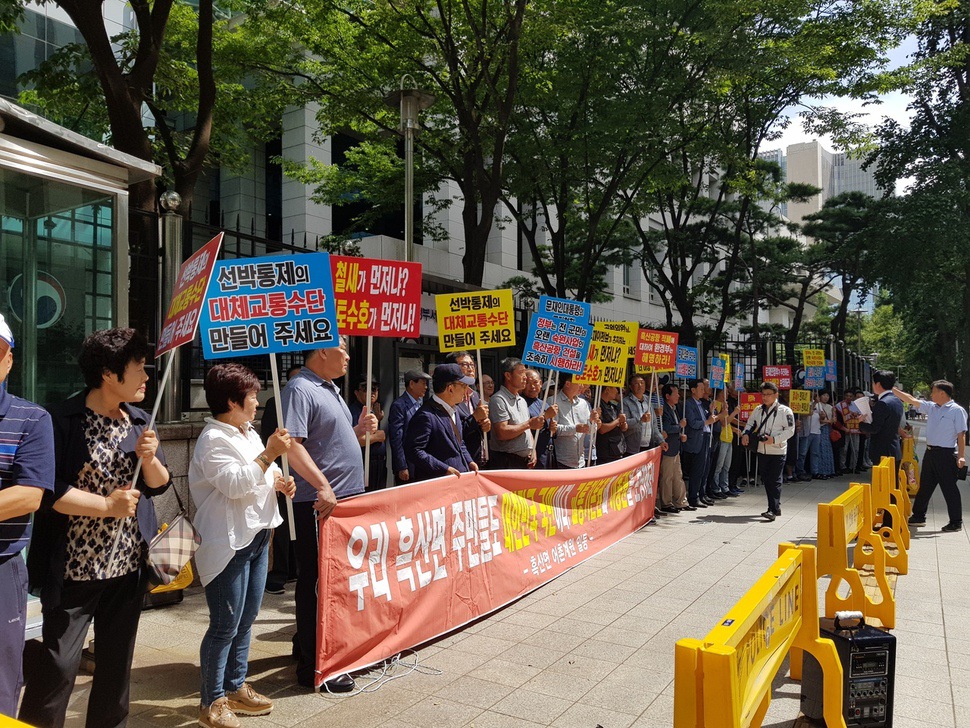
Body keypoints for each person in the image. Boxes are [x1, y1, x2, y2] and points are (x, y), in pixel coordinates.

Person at [21, 329, 171, 728]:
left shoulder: (139, 419)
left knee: (116, 667)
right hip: (73, 570)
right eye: (138, 368)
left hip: (126, 568)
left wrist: (151, 458)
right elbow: (47, 492)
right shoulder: (59, 420)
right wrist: (106, 506)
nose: (146, 377)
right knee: (57, 667)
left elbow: (159, 484)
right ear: (108, 373)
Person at [190, 364, 297, 728]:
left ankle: (235, 686)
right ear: (232, 401)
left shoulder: (246, 431)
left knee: (246, 618)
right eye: (252, 396)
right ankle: (211, 701)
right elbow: (235, 484)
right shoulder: (213, 439)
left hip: (256, 536)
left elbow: (261, 473)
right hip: (227, 542)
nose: (257, 402)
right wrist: (269, 454)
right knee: (224, 623)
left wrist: (279, 481)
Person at [280, 338, 377, 692]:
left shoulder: (331, 389)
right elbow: (292, 445)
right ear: (322, 350)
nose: (349, 356)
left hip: (343, 499)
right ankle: (317, 664)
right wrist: (322, 485)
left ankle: (307, 645)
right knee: (321, 583)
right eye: (343, 349)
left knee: (333, 580)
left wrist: (356, 433)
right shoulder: (299, 388)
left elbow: (325, 441)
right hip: (319, 504)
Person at [0, 313, 54, 717]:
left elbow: (28, 496)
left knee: (1, 680)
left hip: (1, 568)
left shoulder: (31, 419)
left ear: (9, 359)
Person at [894, 381, 967, 533]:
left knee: (949, 488)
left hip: (946, 455)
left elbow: (961, 435)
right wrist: (892, 389)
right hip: (930, 453)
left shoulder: (956, 410)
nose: (931, 394)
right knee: (925, 486)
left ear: (942, 393)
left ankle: (956, 521)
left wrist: (961, 456)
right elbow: (911, 400)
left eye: (933, 391)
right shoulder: (932, 407)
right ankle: (919, 516)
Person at [261, 364, 301, 596]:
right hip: (283, 469)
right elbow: (268, 438)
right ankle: (280, 572)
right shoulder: (275, 403)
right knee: (284, 525)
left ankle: (296, 568)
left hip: (305, 473)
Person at [403, 364, 480, 480]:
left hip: (458, 481)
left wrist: (469, 461)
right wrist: (444, 469)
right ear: (450, 388)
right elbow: (414, 451)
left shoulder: (454, 410)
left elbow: (459, 441)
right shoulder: (426, 415)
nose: (466, 390)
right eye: (463, 386)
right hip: (437, 484)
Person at [741, 381, 795, 521]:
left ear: (776, 395)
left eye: (768, 395)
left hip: (778, 450)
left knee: (775, 479)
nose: (765, 397)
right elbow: (750, 424)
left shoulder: (785, 411)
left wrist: (775, 439)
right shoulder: (758, 410)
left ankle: (772, 509)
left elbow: (790, 431)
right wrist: (745, 433)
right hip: (762, 450)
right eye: (763, 395)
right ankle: (776, 507)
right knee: (766, 479)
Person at [488, 358, 544, 469]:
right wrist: (528, 424)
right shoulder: (498, 399)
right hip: (507, 461)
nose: (525, 377)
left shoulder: (522, 401)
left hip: (525, 461)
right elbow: (502, 433)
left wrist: (533, 450)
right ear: (508, 376)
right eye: (521, 373)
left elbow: (527, 430)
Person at [445, 352, 490, 467]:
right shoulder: (449, 397)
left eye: (472, 365)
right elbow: (452, 433)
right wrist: (475, 417)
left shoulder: (475, 395)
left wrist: (485, 425)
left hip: (479, 460)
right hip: (461, 463)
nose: (471, 369)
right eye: (465, 365)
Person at [387, 369, 432, 485]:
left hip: (422, 463)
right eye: (423, 383)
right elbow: (396, 438)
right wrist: (402, 466)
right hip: (408, 466)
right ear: (412, 384)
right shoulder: (399, 405)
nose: (426, 387)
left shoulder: (421, 405)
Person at [682, 378, 718, 508]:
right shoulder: (688, 404)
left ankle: (702, 494)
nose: (703, 391)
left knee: (705, 469)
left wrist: (711, 410)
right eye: (701, 389)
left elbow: (708, 418)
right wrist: (707, 422)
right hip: (696, 440)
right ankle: (693, 497)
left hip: (706, 438)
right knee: (697, 470)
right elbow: (693, 423)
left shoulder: (701, 404)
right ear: (693, 390)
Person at [553, 373, 600, 469]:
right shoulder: (553, 402)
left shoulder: (583, 404)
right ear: (567, 384)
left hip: (581, 461)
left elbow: (591, 430)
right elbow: (554, 430)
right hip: (562, 461)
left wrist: (592, 421)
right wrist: (575, 428)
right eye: (579, 382)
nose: (582, 386)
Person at [348, 378, 387, 492]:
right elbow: (354, 440)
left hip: (379, 465)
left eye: (374, 389)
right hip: (365, 465)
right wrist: (377, 437)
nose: (372, 392)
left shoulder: (374, 410)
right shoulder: (354, 412)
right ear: (356, 392)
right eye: (366, 389)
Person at [859, 370, 904, 465]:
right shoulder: (897, 401)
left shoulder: (882, 403)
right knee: (893, 479)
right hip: (894, 448)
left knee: (882, 479)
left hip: (882, 451)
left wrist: (861, 423)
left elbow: (875, 428)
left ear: (878, 384)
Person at [659, 383, 692, 513]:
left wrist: (681, 434)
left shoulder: (674, 408)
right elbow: (666, 427)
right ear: (667, 396)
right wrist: (679, 426)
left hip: (675, 447)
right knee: (667, 477)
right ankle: (666, 503)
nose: (678, 395)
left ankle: (680, 501)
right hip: (668, 448)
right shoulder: (664, 409)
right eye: (675, 393)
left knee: (678, 475)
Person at [522, 369, 558, 469]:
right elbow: (526, 427)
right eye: (528, 383)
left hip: (549, 454)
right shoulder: (521, 403)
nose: (532, 386)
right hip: (534, 455)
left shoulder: (544, 404)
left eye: (535, 382)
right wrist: (546, 416)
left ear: (541, 384)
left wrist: (553, 429)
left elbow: (551, 432)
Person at [595, 386, 627, 465]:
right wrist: (618, 420)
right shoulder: (597, 406)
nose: (618, 391)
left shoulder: (612, 406)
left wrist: (623, 425)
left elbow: (619, 425)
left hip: (617, 449)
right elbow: (601, 429)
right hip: (605, 453)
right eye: (616, 388)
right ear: (607, 389)